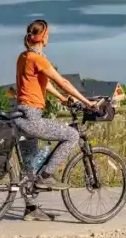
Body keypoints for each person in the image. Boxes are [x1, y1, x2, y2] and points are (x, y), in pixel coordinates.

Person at [13, 19, 96, 221]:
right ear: (42, 37)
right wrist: (86, 102)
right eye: (48, 34)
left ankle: (31, 210)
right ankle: (47, 176)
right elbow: (62, 81)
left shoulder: (24, 57)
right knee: (71, 135)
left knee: (30, 165)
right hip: (32, 117)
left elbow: (42, 83)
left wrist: (61, 98)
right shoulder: (38, 59)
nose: (49, 37)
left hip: (18, 115)